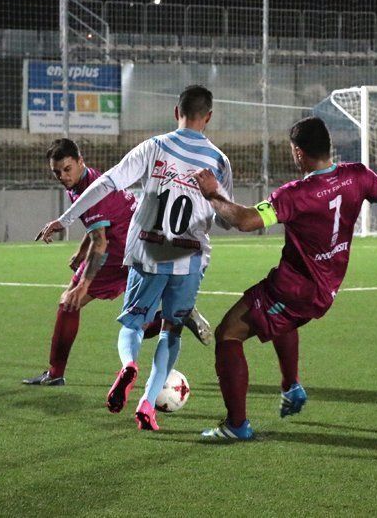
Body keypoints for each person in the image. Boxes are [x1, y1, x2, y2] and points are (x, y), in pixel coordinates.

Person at [193, 117, 377, 440]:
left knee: (227, 335)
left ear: (298, 152)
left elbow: (247, 221)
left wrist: (213, 193)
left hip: (295, 292)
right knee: (280, 317)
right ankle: (291, 387)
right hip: (327, 288)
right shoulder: (358, 176)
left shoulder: (294, 194)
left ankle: (236, 425)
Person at [37, 85, 233, 431]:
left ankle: (128, 364)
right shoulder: (218, 161)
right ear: (210, 117)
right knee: (170, 332)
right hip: (189, 258)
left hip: (146, 250)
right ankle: (147, 404)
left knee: (132, 323)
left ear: (176, 112)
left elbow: (107, 183)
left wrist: (63, 220)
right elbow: (224, 219)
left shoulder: (154, 147)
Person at [23, 138, 210, 387]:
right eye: (56, 172)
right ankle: (172, 314)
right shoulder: (90, 180)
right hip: (142, 244)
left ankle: (55, 373)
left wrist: (83, 286)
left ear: (81, 161)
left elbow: (100, 241)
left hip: (119, 250)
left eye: (67, 169)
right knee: (136, 317)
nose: (62, 176)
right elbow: (97, 226)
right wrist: (81, 252)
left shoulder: (89, 189)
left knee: (69, 302)